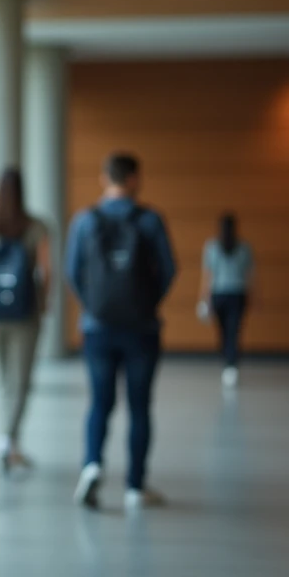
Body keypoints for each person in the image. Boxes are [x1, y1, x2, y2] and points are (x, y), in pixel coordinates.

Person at [65, 153, 176, 511]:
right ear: (134, 179)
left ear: (104, 179)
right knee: (140, 407)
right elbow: (169, 269)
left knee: (99, 402)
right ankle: (134, 485)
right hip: (142, 328)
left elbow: (72, 271)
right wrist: (148, 303)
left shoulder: (84, 220)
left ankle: (92, 464)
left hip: (97, 328)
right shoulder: (150, 219)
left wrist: (92, 306)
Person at [0, 167, 51, 474]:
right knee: (20, 381)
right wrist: (45, 304)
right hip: (25, 312)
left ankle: (7, 440)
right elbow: (46, 271)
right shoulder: (37, 227)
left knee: (3, 381)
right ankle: (8, 439)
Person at [198, 213, 254, 387]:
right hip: (237, 293)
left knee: (224, 331)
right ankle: (231, 365)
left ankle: (229, 363)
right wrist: (254, 295)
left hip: (219, 294)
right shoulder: (243, 247)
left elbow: (208, 276)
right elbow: (250, 275)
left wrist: (204, 299)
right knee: (233, 331)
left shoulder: (212, 247)